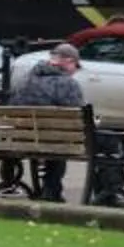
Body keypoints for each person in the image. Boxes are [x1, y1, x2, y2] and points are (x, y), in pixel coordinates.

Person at [19, 43, 87, 201]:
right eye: (75, 66)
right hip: (56, 140)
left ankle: (51, 190)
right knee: (111, 143)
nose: (75, 70)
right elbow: (78, 119)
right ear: (69, 61)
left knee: (54, 138)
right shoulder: (68, 84)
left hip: (23, 139)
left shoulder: (24, 80)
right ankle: (109, 193)